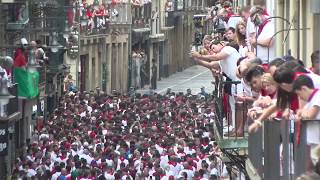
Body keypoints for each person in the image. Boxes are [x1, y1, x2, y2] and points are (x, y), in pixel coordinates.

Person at [293, 75, 320, 167]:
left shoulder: (318, 95)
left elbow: (310, 114)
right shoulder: (311, 99)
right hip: (314, 139)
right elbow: (299, 112)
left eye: (299, 94)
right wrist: (302, 113)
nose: (300, 97)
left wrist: (303, 113)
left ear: (304, 89)